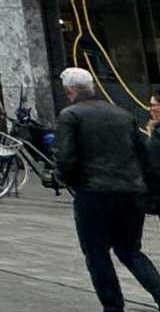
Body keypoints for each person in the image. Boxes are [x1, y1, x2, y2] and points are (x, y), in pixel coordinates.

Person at [57, 67, 160, 310]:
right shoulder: (122, 114)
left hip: (94, 194)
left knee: (96, 253)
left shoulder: (71, 115)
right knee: (130, 250)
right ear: (92, 87)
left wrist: (66, 179)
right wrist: (147, 190)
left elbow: (66, 158)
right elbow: (143, 156)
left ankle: (113, 306)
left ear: (69, 90)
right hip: (130, 193)